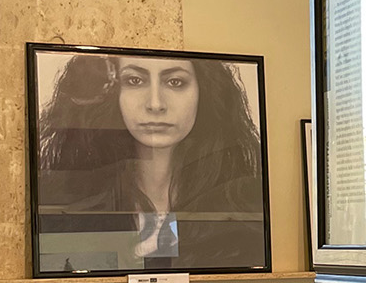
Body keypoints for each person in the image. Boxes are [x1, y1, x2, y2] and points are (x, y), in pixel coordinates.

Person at [35, 53, 266, 270]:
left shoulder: (241, 203)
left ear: (203, 91)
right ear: (109, 92)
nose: (155, 104)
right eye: (134, 80)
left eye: (175, 82)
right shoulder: (64, 201)